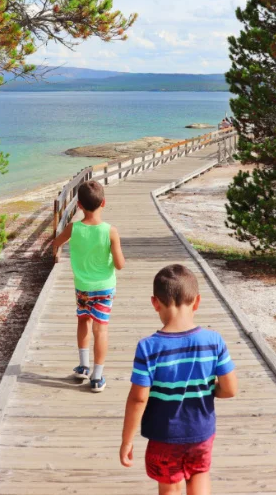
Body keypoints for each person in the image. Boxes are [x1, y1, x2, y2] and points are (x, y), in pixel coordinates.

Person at [119, 264, 238, 495]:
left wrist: (127, 440)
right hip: (201, 432)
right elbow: (230, 389)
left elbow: (138, 399)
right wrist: (209, 389)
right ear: (197, 301)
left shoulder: (149, 347)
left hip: (165, 436)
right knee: (199, 476)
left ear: (155, 303)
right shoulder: (214, 341)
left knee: (170, 486)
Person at [51, 180, 125, 392]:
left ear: (80, 206)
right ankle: (97, 377)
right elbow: (120, 265)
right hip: (104, 287)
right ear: (104, 202)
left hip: (82, 287)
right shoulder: (110, 231)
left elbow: (56, 243)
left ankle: (83, 366)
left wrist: (62, 251)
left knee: (83, 321)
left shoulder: (73, 228)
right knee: (100, 329)